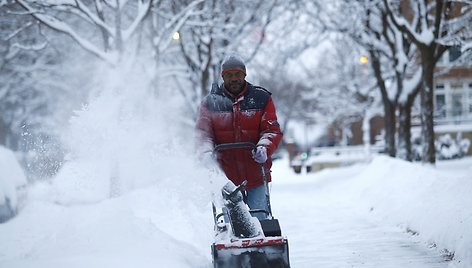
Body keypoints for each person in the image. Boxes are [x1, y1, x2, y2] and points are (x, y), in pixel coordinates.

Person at [196, 54, 283, 220]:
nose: (233, 79)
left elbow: (271, 130)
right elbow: (203, 133)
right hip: (225, 177)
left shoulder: (261, 98)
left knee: (261, 219)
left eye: (237, 74)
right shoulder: (210, 103)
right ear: (222, 77)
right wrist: (206, 153)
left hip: (256, 174)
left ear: (244, 74)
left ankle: (262, 245)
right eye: (229, 75)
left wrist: (264, 147)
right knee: (232, 224)